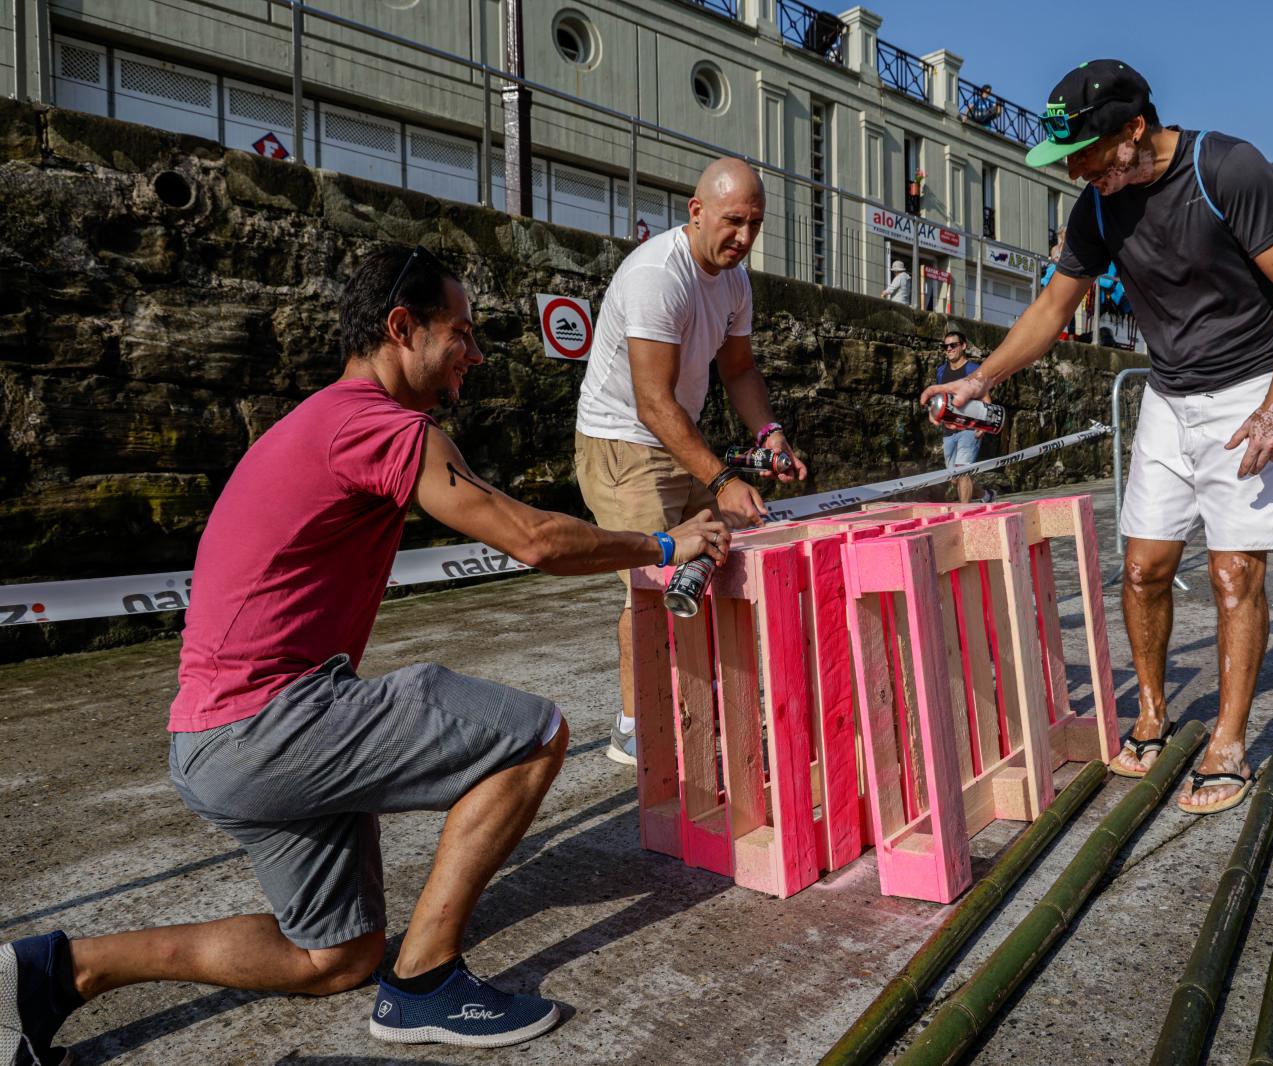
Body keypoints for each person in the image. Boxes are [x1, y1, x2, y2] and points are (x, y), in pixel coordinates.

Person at [0, 246, 729, 1059]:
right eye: (462, 333)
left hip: (213, 743)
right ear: (400, 327)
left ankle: (59, 971)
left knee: (333, 957)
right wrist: (664, 539)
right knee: (533, 734)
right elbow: (531, 539)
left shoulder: (324, 420)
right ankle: (424, 985)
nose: (477, 355)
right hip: (271, 722)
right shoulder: (379, 427)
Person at [921, 58, 1273, 816]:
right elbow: (1049, 312)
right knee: (1141, 571)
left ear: (1135, 129)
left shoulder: (1225, 168)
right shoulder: (1098, 206)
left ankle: (1230, 742)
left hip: (1249, 393)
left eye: (1087, 154)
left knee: (1235, 575)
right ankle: (1150, 711)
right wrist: (977, 382)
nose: (1078, 170)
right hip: (1168, 398)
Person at [575, 157, 806, 766]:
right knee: (649, 587)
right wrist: (724, 479)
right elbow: (652, 402)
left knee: (718, 561)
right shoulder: (658, 274)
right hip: (624, 441)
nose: (745, 238)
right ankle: (633, 727)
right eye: (734, 221)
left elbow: (737, 369)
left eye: (756, 224)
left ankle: (705, 708)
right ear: (696, 212)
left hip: (675, 434)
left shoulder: (734, 279)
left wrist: (770, 432)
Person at [933, 329, 995, 504]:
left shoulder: (973, 370)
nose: (949, 349)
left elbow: (986, 399)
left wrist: (982, 425)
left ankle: (964, 518)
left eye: (953, 345)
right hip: (949, 431)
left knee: (962, 471)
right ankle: (986, 495)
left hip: (970, 429)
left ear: (964, 346)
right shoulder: (941, 371)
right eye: (946, 346)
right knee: (954, 479)